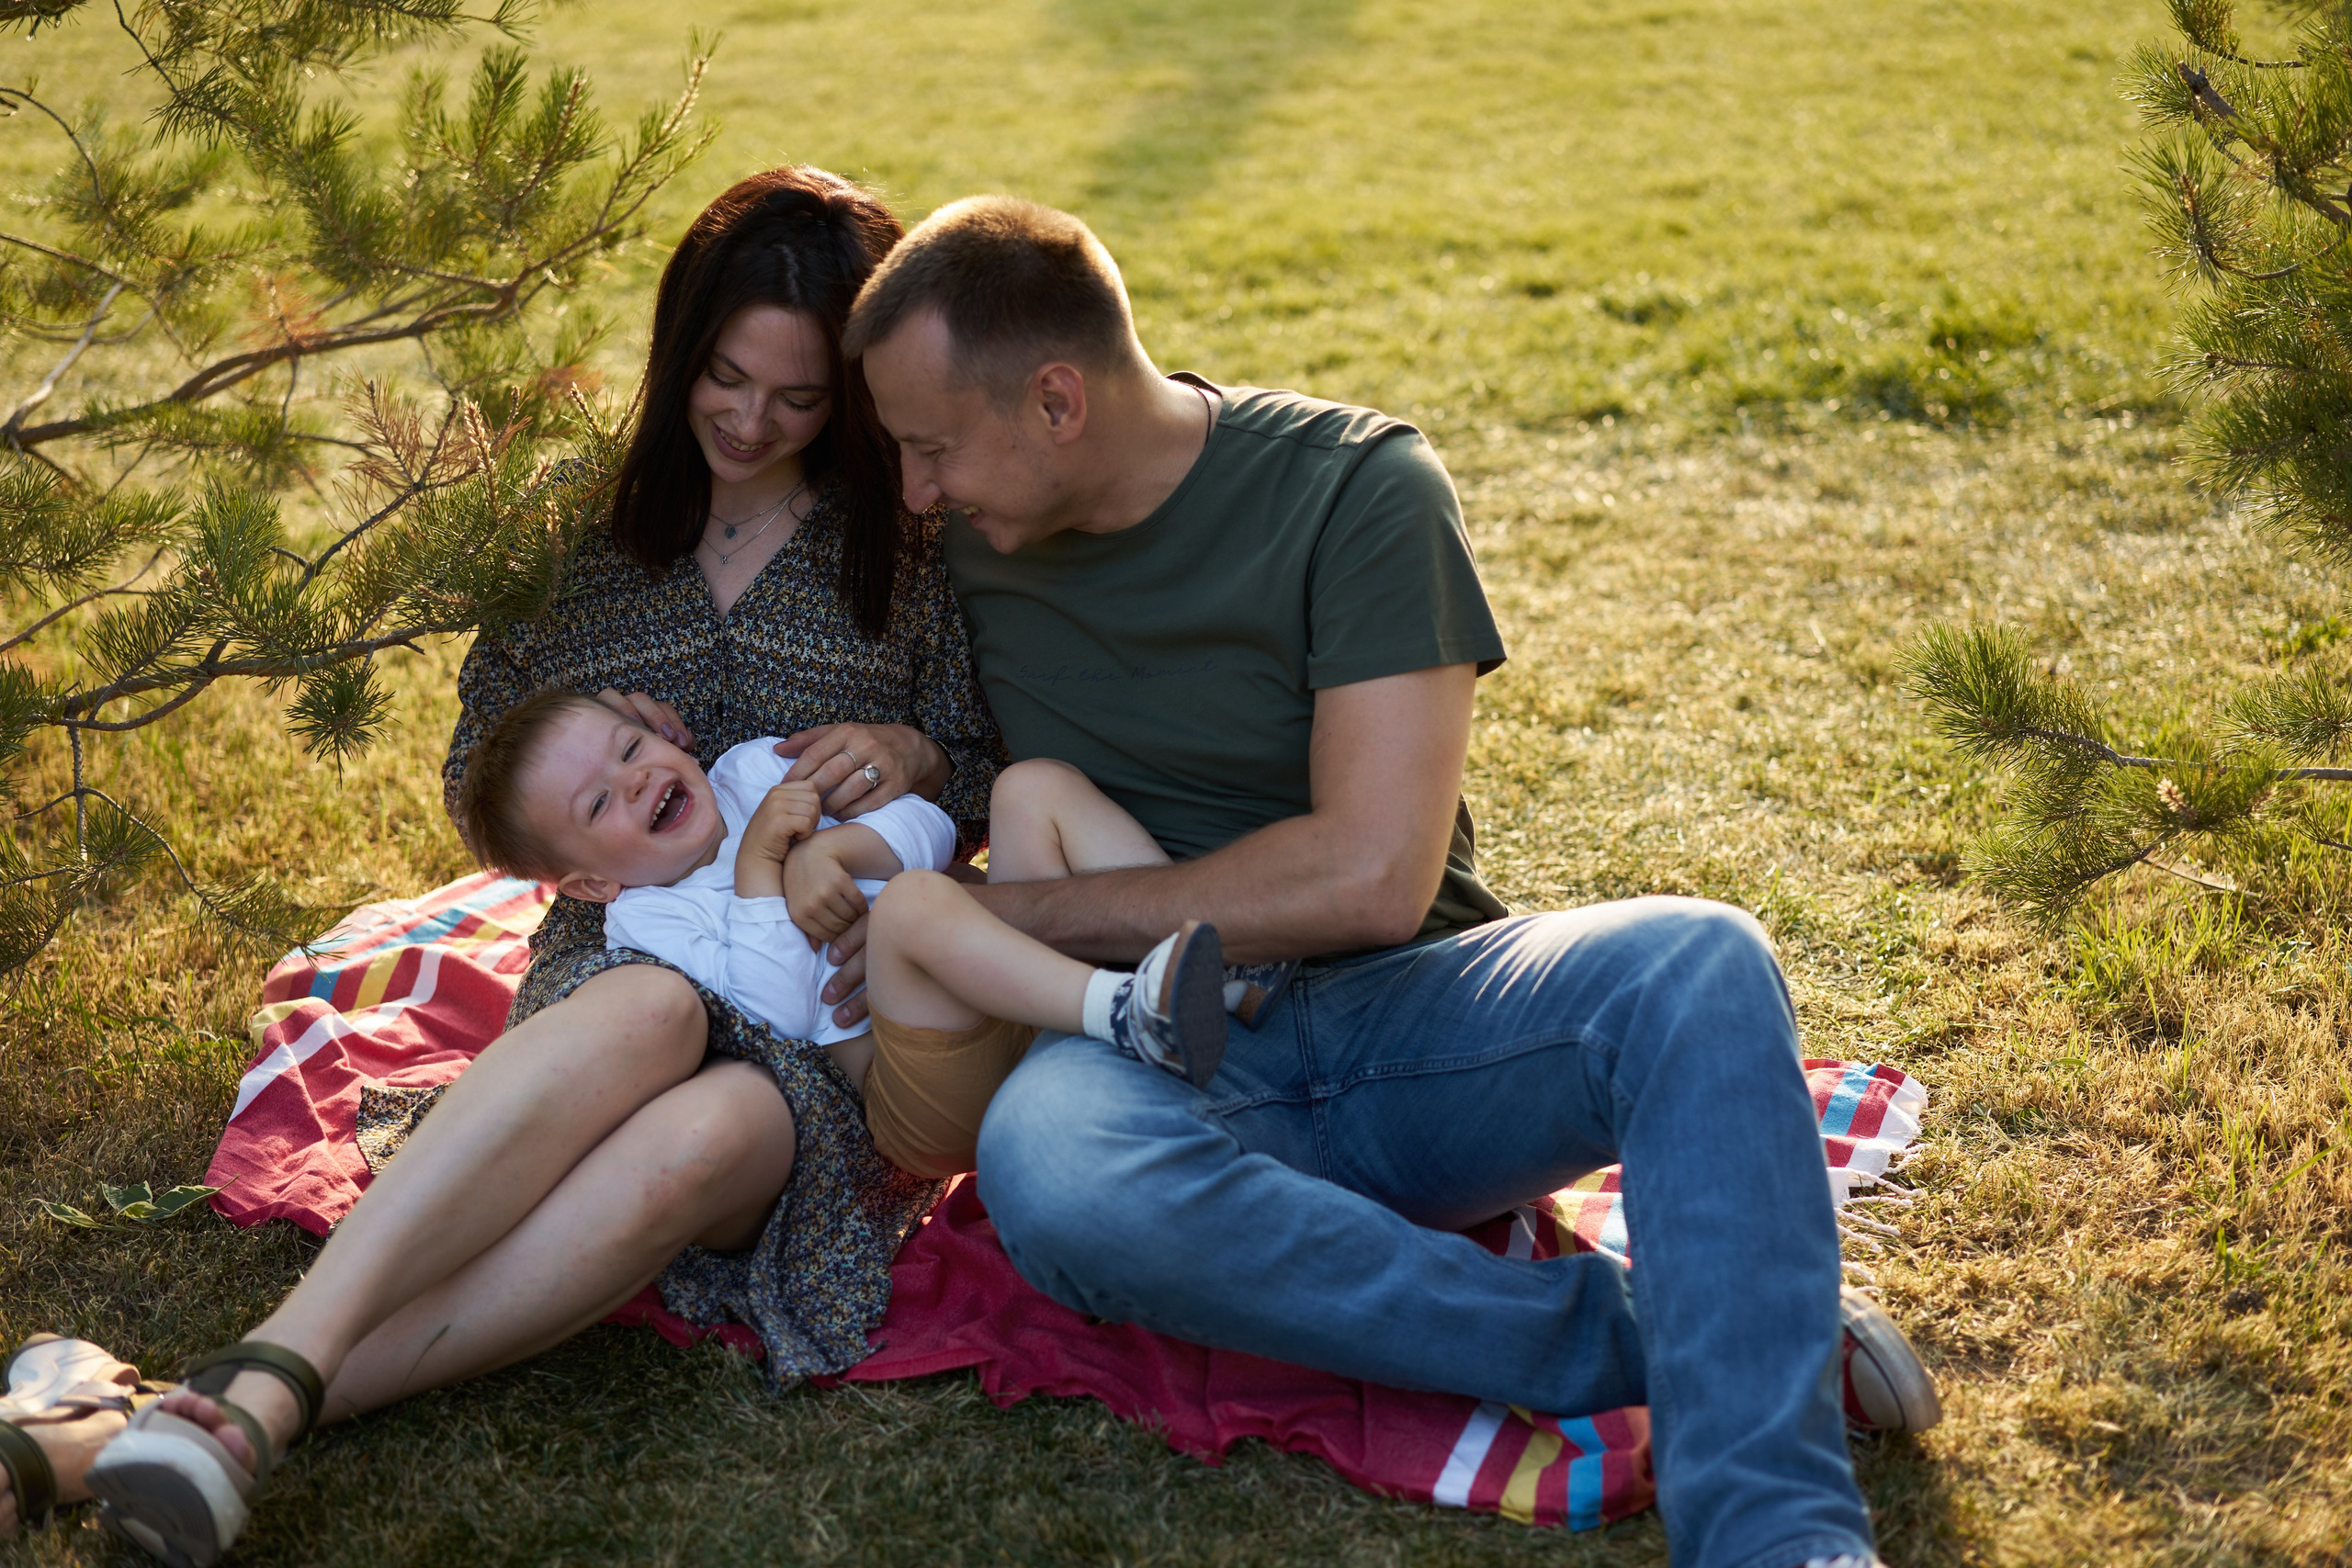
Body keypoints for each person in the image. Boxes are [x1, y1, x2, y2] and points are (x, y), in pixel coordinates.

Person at [843, 196, 1940, 1568]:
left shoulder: (1356, 489)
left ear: (1056, 400)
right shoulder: (970, 549)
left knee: (1700, 958)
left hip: (1419, 1022)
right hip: (1157, 1053)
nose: (916, 491)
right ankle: (1700, 1330)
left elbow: (1371, 874)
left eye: (933, 448)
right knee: (1047, 1159)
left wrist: (1017, 914)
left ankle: (1780, 1536)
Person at [84, 166, 1009, 1568]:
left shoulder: (911, 549)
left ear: (858, 393)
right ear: (677, 348)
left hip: (829, 1024)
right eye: (723, 376)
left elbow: (990, 764)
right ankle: (269, 1381)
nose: (750, 421)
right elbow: (477, 772)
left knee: (717, 1128)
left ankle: (197, 1408)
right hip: (627, 966)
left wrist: (923, 755)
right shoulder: (579, 520)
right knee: (652, 1009)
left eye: (799, 396)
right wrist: (562, 762)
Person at [453, 689, 1231, 1173]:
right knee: (910, 908)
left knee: (1031, 788)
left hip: (1018, 984)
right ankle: (1132, 1011)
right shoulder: (647, 926)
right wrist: (763, 862)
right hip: (921, 1088)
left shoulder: (757, 768)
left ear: (665, 733)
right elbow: (781, 1015)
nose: (638, 779)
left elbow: (930, 824)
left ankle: (1214, 958)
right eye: (600, 804)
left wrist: (833, 848)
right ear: (591, 882)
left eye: (632, 748)